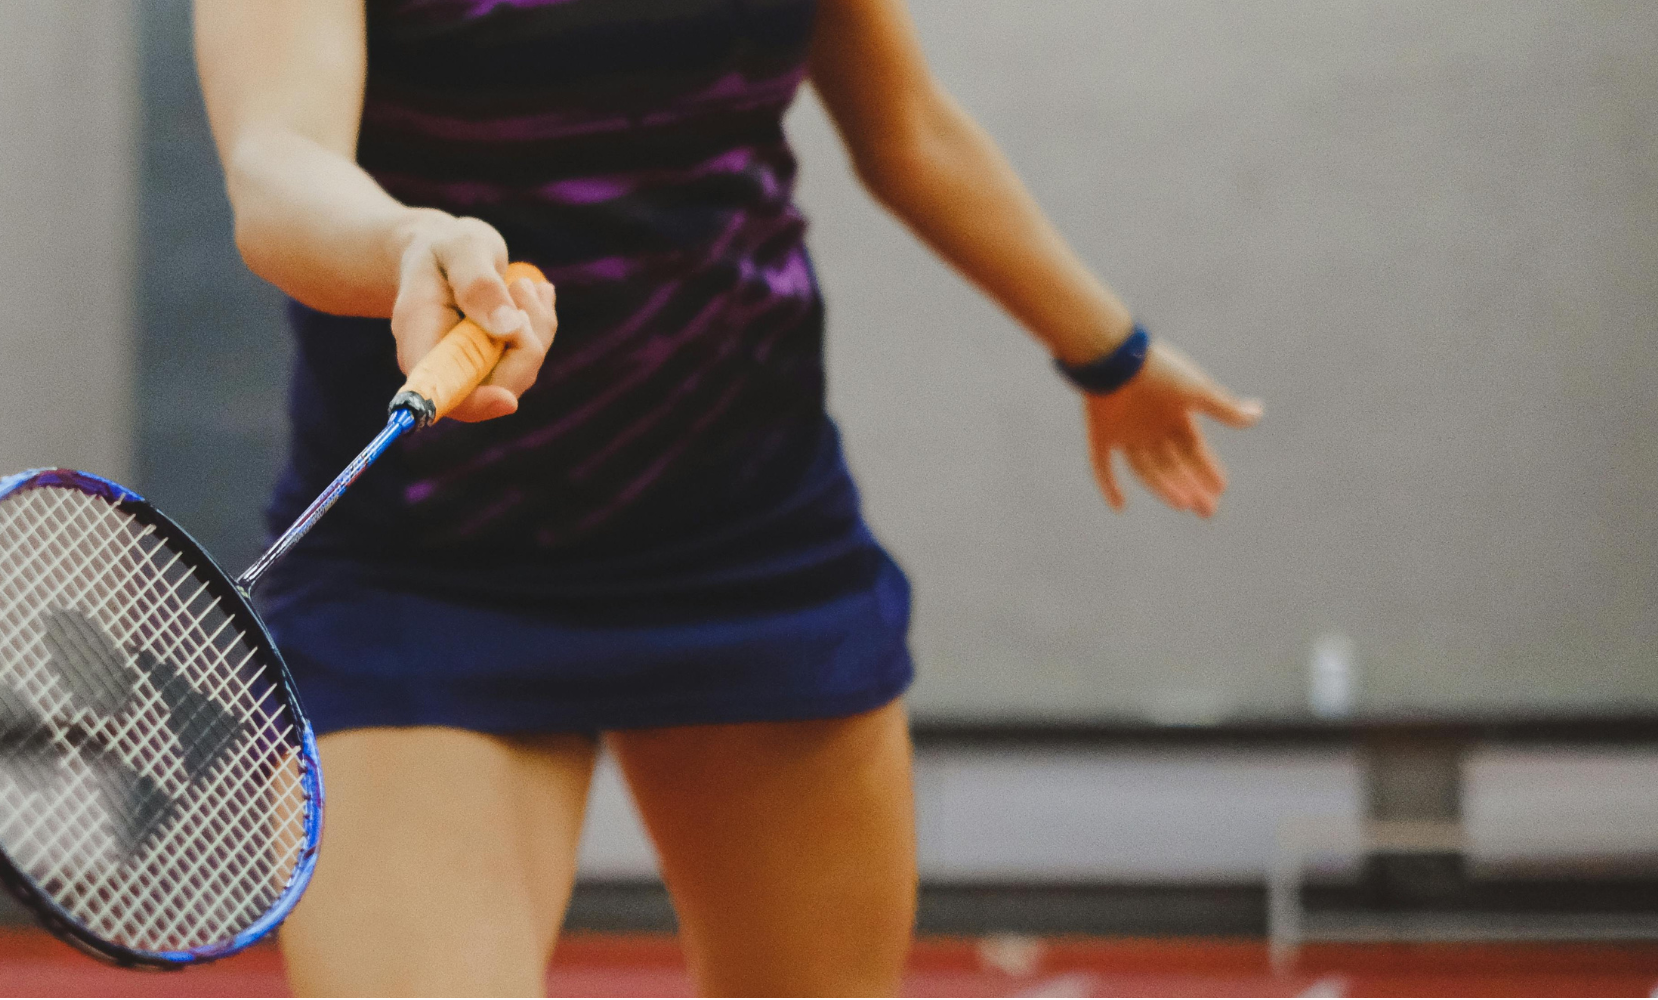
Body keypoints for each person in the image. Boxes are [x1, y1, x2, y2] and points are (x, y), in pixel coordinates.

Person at [197, 0, 1263, 994]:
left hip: (750, 537)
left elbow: (908, 131)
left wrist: (1109, 352)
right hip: (423, 571)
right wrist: (403, 247)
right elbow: (277, 161)